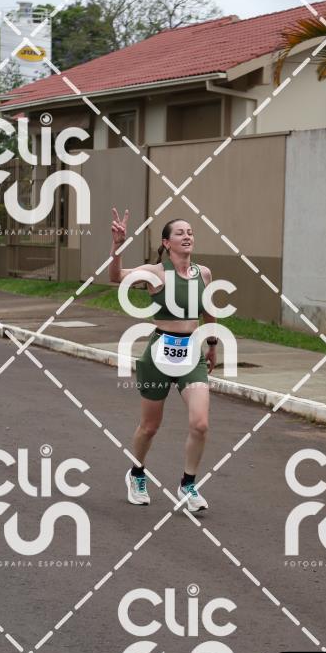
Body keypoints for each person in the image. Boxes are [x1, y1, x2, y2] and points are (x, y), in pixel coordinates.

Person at [110, 209, 218, 513]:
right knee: (149, 426)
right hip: (158, 355)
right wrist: (117, 245)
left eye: (190, 232)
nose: (187, 236)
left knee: (200, 424)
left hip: (192, 355)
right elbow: (116, 277)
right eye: (180, 233)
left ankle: (187, 484)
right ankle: (136, 473)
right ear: (167, 242)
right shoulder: (155, 273)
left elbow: (208, 310)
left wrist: (212, 344)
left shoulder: (204, 274)